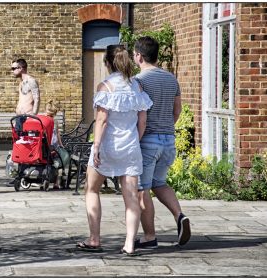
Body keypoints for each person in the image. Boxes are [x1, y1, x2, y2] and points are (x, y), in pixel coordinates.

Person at [76, 45, 152, 256]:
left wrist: (97, 146)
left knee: (91, 189)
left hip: (108, 146)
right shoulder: (137, 87)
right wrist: (135, 140)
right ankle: (129, 244)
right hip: (130, 147)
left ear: (108, 63)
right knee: (131, 198)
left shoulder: (105, 87)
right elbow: (142, 120)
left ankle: (94, 239)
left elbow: (102, 119)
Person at [133, 36, 191, 248]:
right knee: (159, 183)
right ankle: (179, 216)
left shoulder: (139, 81)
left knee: (142, 188)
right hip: (168, 140)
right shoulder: (171, 79)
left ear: (139, 55)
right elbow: (177, 111)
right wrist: (167, 128)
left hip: (148, 140)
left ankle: (149, 236)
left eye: (134, 54)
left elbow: (139, 115)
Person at [44, 100, 67, 189]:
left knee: (55, 162)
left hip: (47, 145)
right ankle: (57, 182)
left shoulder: (45, 120)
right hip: (52, 146)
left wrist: (61, 144)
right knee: (59, 163)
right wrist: (61, 145)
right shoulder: (54, 121)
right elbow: (57, 135)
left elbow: (57, 134)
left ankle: (56, 181)